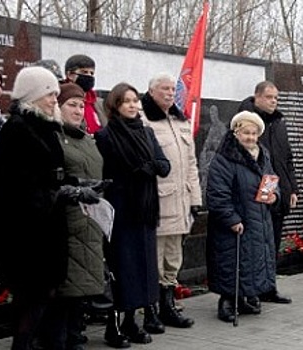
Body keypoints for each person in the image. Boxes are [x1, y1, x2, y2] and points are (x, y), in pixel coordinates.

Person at [0, 66, 101, 349]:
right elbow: (16, 189)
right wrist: (64, 193)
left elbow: (54, 175)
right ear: (32, 95)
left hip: (49, 233)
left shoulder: (46, 129)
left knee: (44, 300)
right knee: (30, 303)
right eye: (49, 94)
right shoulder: (16, 130)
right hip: (26, 237)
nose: (55, 99)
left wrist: (80, 184)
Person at [95, 83, 171, 346]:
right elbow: (104, 173)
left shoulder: (147, 133)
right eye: (125, 101)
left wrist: (147, 167)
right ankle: (113, 326)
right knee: (122, 271)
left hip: (145, 211)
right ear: (115, 105)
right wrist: (138, 170)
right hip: (121, 212)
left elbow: (164, 165)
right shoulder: (106, 136)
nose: (132, 105)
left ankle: (132, 321)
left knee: (143, 271)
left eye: (134, 100)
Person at [34, 83, 107, 350]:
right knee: (65, 289)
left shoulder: (87, 138)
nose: (77, 110)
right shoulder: (54, 137)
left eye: (80, 105)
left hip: (90, 218)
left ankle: (74, 335)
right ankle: (57, 339)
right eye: (71, 105)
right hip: (65, 220)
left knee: (82, 289)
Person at [206, 111, 278, 323]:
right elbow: (217, 194)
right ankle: (227, 301)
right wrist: (232, 219)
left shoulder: (262, 154)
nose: (250, 137)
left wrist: (275, 196)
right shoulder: (224, 158)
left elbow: (273, 180)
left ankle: (244, 297)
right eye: (246, 132)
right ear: (236, 133)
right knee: (232, 260)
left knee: (252, 260)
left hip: (258, 218)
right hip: (236, 222)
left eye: (254, 133)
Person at [140, 72, 199, 328]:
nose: (169, 93)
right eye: (164, 88)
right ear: (151, 91)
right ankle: (150, 310)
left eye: (172, 89)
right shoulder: (143, 120)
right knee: (154, 258)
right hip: (159, 203)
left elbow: (191, 163)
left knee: (173, 260)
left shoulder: (180, 120)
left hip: (181, 202)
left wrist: (195, 198)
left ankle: (168, 306)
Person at [238, 81, 294, 304]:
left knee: (272, 243)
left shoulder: (279, 122)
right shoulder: (245, 120)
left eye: (276, 98)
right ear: (257, 97)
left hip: (274, 192)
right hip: (252, 197)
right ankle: (251, 289)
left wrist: (291, 188)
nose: (274, 101)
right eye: (270, 97)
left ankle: (269, 287)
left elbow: (287, 158)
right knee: (254, 245)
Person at [63, 54, 107, 133]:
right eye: (84, 72)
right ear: (70, 75)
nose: (89, 76)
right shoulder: (61, 99)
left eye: (92, 73)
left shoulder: (99, 103)